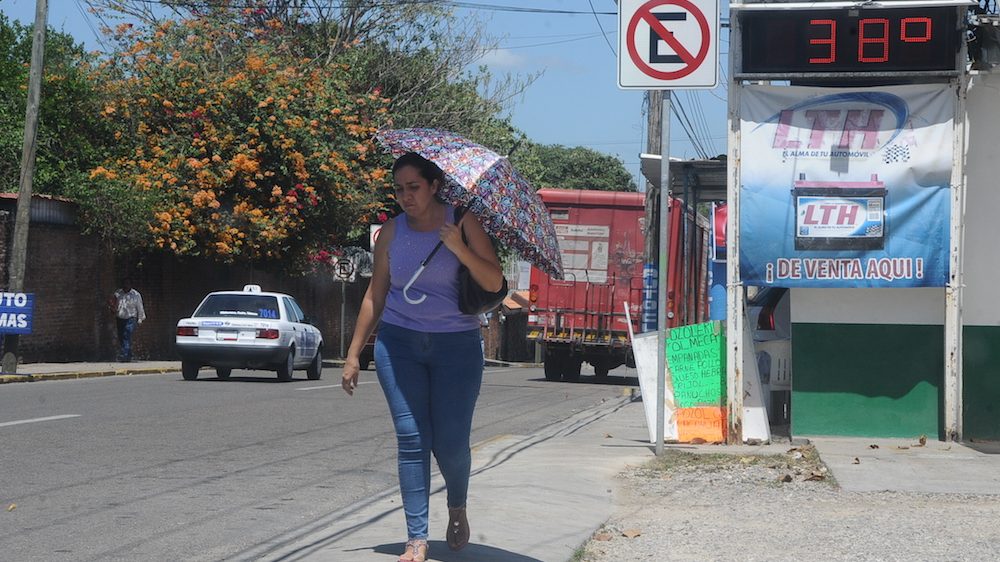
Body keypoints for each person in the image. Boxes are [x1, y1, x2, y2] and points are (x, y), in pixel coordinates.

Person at [342, 152, 503, 562]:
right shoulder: (391, 234)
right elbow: (375, 294)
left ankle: (457, 505)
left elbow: (495, 281)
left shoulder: (463, 221)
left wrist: (457, 247)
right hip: (399, 345)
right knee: (413, 439)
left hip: (456, 348)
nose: (405, 196)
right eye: (398, 189)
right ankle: (416, 537)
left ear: (434, 186)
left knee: (450, 444)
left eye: (413, 187)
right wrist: (353, 353)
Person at [112, 277, 146, 362]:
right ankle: (129, 355)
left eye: (127, 284)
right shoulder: (118, 293)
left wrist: (140, 318)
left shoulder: (135, 295)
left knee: (126, 335)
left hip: (131, 318)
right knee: (122, 337)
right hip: (120, 318)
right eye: (124, 284)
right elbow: (114, 305)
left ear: (130, 285)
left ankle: (124, 355)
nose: (125, 286)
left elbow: (139, 307)